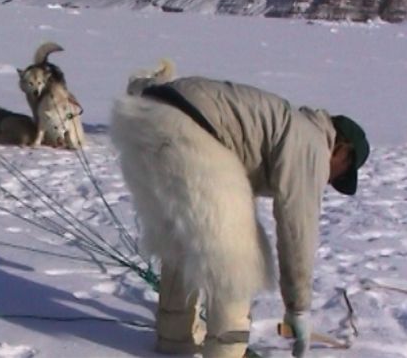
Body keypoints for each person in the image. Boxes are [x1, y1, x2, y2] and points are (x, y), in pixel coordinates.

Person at [110, 75, 369, 358]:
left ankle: (175, 338)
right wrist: (298, 307)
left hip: (144, 120)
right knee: (236, 254)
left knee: (184, 237)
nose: (331, 181)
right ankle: (228, 350)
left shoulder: (289, 124)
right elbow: (297, 227)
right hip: (188, 127)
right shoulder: (313, 143)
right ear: (342, 149)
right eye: (342, 173)